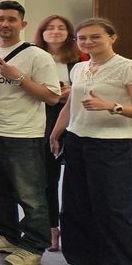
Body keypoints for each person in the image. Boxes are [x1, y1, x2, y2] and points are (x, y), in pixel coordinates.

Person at [48, 18, 132, 265]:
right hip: (78, 141)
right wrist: (57, 132)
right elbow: (71, 106)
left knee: (115, 210)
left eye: (95, 37)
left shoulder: (131, 67)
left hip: (113, 146)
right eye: (82, 38)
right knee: (77, 204)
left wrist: (112, 106)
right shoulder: (80, 68)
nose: (88, 42)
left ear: (112, 37)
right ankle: (87, 261)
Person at [0, 0, 61, 265]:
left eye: (12, 19)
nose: (5, 24)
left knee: (30, 195)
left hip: (23, 135)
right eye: (1, 19)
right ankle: (6, 235)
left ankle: (33, 246)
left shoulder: (37, 56)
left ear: (22, 24)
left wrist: (18, 77)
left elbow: (52, 97)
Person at [35, 14, 82, 252]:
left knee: (75, 182)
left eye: (61, 28)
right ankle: (51, 228)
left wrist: (73, 92)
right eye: (50, 28)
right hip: (43, 120)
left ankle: (75, 233)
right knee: (48, 180)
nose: (55, 31)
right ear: (41, 33)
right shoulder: (34, 57)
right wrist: (52, 94)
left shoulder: (80, 61)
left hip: (74, 121)